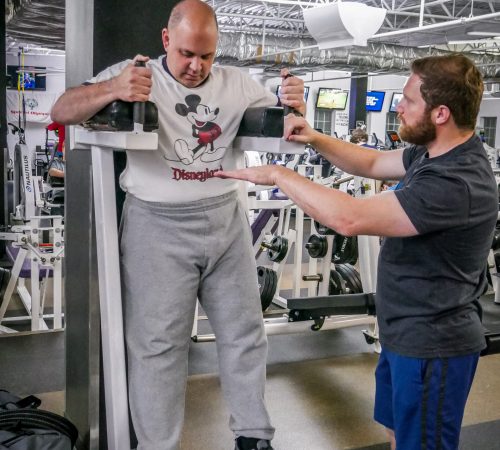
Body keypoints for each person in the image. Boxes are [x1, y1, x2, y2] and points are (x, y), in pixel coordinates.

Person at [50, 1, 305, 449]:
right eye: (187, 53)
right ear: (167, 41)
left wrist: (294, 108)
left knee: (246, 334)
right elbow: (63, 108)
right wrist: (114, 86)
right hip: (156, 224)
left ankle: (254, 437)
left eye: (206, 56)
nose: (195, 66)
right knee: (158, 350)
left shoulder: (238, 84)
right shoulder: (138, 73)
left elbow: (289, 126)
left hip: (225, 219)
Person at [216, 54, 497, 450]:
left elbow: (348, 218)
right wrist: (313, 135)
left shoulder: (456, 182)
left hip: (434, 347)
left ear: (441, 114)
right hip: (402, 333)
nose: (398, 106)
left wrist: (279, 174)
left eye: (408, 100)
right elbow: (370, 161)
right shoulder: (430, 152)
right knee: (400, 436)